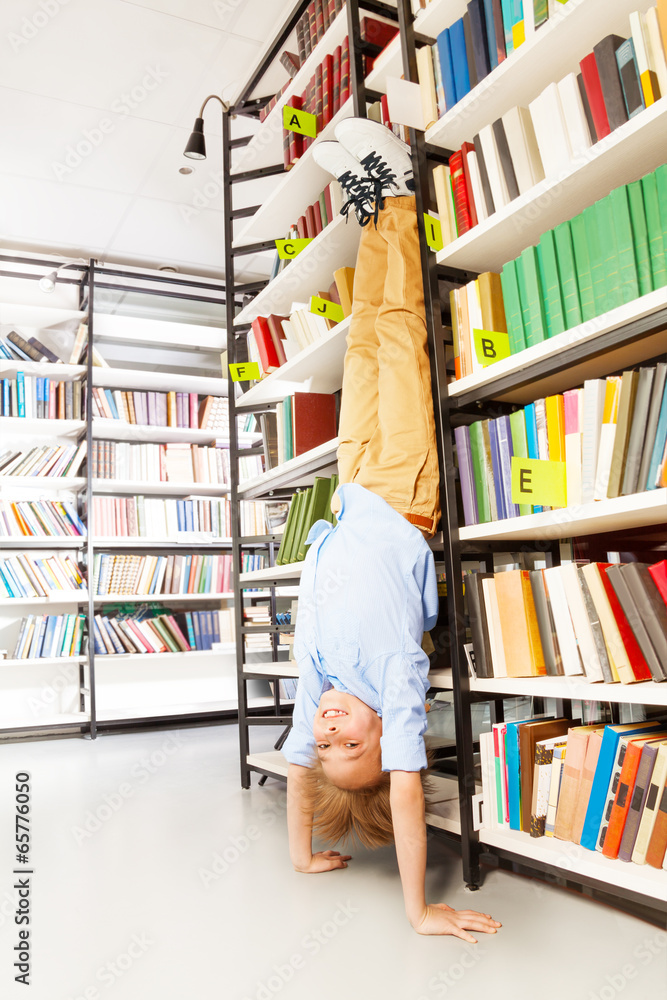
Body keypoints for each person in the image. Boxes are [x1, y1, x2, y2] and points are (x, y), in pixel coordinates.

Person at [283, 118, 501, 943]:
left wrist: (303, 853)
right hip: (404, 489)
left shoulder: (319, 682)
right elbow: (402, 791)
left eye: (326, 740)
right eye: (350, 744)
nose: (331, 730)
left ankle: (371, 201)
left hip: (350, 489)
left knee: (366, 343)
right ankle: (398, 194)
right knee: (403, 334)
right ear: (384, 734)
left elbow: (300, 771)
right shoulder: (396, 682)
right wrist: (417, 910)